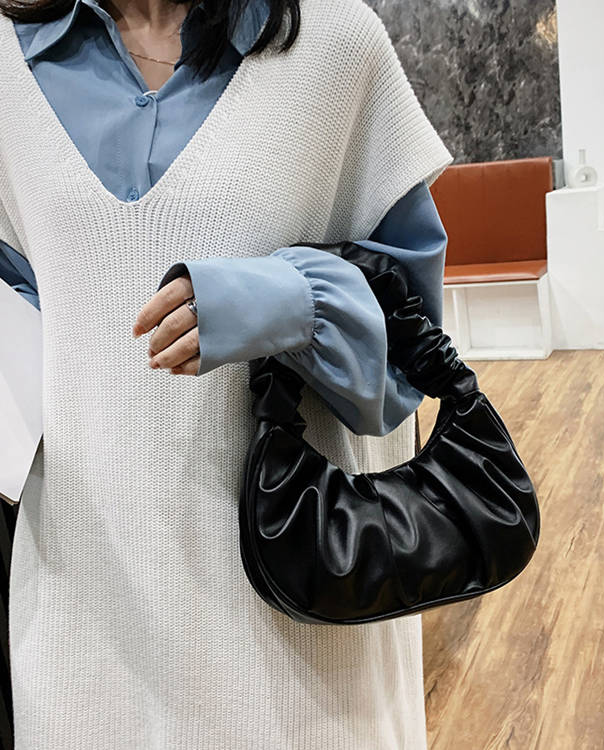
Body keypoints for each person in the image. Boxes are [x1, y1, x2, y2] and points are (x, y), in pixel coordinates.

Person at [0, 0, 453, 746]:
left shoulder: (336, 45)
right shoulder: (8, 68)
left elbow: (415, 349)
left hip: (301, 630)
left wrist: (293, 299)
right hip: (81, 619)